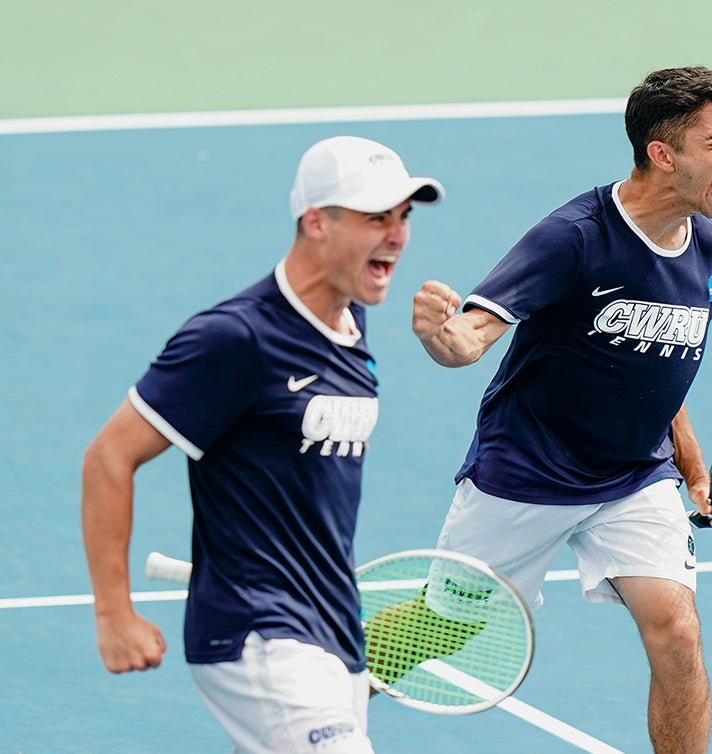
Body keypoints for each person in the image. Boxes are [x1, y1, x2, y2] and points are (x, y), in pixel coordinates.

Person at [411, 66, 712, 754]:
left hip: (632, 478)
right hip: (527, 472)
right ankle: (308, 704)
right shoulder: (573, 237)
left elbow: (662, 369)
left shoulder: (705, 245)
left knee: (678, 633)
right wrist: (440, 336)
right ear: (663, 153)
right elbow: (468, 338)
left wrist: (694, 473)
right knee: (434, 633)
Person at [81, 135, 444, 754]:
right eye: (375, 217)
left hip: (333, 632)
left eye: (403, 217)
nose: (397, 234)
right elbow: (109, 457)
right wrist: (114, 614)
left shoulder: (351, 328)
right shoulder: (234, 338)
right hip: (256, 632)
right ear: (316, 223)